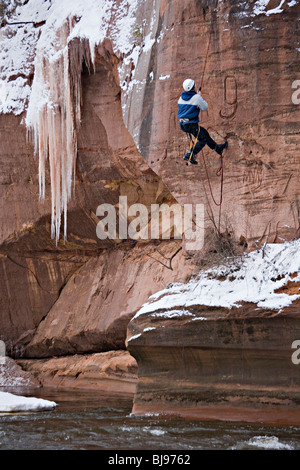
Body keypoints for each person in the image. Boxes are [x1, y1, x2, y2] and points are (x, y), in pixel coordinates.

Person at [178, 78, 228, 165]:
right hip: (190, 124)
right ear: (193, 87)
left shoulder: (181, 98)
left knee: (204, 134)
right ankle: (190, 154)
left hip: (183, 124)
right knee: (203, 139)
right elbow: (205, 107)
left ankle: (217, 148)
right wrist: (199, 96)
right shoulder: (196, 98)